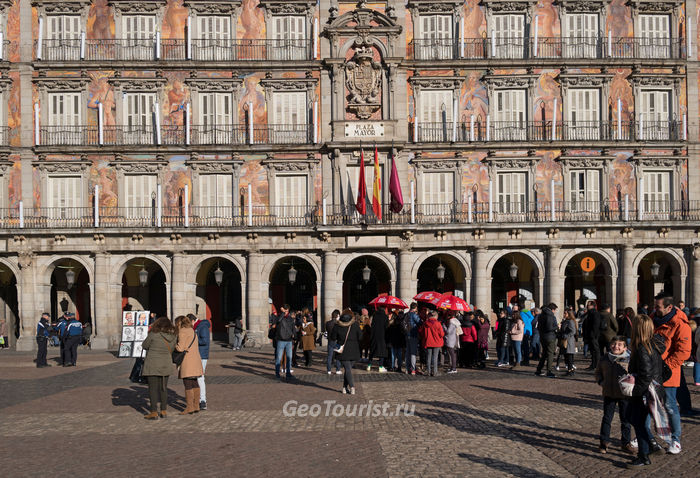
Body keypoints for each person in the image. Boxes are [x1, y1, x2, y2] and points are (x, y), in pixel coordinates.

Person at [651, 293, 691, 455]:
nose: (655, 309)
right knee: (649, 405)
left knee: (670, 406)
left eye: (658, 307)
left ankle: (675, 439)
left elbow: (684, 352)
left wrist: (665, 367)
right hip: (651, 370)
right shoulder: (652, 318)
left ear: (669, 307)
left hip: (668, 373)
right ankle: (646, 437)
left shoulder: (680, 324)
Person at [626, 314, 667, 468]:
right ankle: (649, 446)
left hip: (644, 392)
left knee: (637, 421)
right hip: (652, 390)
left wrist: (635, 391)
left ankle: (644, 455)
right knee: (635, 419)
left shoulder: (643, 348)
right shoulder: (652, 345)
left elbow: (646, 375)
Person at [595, 336, 635, 454]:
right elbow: (598, 372)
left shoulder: (629, 359)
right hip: (609, 393)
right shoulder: (604, 358)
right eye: (613, 344)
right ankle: (604, 441)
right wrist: (601, 382)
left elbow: (634, 374)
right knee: (607, 418)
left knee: (625, 419)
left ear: (624, 347)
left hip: (624, 394)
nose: (616, 346)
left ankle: (626, 442)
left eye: (619, 344)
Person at [141, 317, 177, 419]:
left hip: (153, 364)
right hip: (166, 364)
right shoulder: (173, 336)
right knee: (163, 388)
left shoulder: (153, 334)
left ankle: (153, 412)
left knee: (153, 389)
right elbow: (173, 348)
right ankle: (164, 410)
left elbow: (145, 345)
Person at [174, 315, 203, 415]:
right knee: (194, 382)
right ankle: (196, 405)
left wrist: (175, 345)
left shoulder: (182, 331)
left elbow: (180, 348)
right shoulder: (191, 330)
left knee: (187, 383)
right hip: (195, 359)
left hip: (187, 360)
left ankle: (189, 407)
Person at [330, 309, 361, 394]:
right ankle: (351, 387)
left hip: (342, 350)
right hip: (354, 350)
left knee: (348, 369)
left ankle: (346, 387)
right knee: (348, 369)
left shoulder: (337, 325)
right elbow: (360, 337)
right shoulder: (355, 324)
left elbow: (333, 337)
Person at [191, 314, 210, 411]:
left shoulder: (202, 326)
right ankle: (197, 398)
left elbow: (205, 341)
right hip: (197, 355)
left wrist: (194, 339)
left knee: (200, 377)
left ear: (193, 321)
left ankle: (203, 400)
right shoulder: (197, 327)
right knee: (196, 377)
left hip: (202, 355)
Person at [535, 303, 559, 378]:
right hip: (550, 337)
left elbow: (538, 326)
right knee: (550, 354)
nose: (555, 312)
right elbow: (549, 328)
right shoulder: (550, 316)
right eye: (555, 310)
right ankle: (549, 371)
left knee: (544, 354)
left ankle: (538, 370)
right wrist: (557, 326)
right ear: (552, 309)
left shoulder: (541, 315)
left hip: (542, 337)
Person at [274, 304, 295, 380]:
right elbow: (278, 321)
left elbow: (293, 328)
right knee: (279, 358)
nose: (286, 311)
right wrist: (282, 313)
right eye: (285, 310)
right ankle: (277, 373)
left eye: (287, 310)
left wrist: (294, 337)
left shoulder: (290, 319)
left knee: (289, 357)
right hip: (281, 340)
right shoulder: (279, 317)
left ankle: (288, 373)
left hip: (289, 340)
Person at [421, 311, 444, 377]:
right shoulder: (438, 324)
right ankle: (435, 372)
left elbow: (422, 333)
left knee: (428, 357)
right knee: (435, 357)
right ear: (436, 316)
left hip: (428, 342)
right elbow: (442, 334)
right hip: (436, 342)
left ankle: (428, 371)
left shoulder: (425, 323)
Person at [367, 308, 389, 372]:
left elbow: (371, 325)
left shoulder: (374, 316)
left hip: (374, 335)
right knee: (381, 352)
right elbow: (386, 327)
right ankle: (381, 367)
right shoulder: (385, 316)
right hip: (382, 336)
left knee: (372, 351)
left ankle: (369, 366)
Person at [583, 301, 602, 370]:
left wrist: (593, 334)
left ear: (592, 306)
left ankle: (597, 365)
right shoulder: (589, 313)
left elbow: (596, 325)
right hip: (590, 335)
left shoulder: (595, 313)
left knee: (596, 351)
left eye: (588, 305)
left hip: (594, 336)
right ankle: (593, 365)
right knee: (592, 351)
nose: (587, 306)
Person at [404, 303, 421, 375]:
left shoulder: (406, 314)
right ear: (416, 308)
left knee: (407, 352)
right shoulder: (414, 315)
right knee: (413, 353)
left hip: (406, 335)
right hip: (413, 335)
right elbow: (420, 322)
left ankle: (407, 369)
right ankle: (413, 369)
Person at [559, 310, 578, 375]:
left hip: (569, 340)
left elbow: (573, 331)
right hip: (565, 340)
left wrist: (566, 336)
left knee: (569, 355)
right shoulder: (565, 321)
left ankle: (570, 370)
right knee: (566, 356)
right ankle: (570, 369)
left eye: (565, 313)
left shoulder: (570, 322)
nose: (564, 314)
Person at [325, 310, 342, 375]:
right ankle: (337, 369)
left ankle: (328, 370)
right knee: (337, 355)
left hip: (330, 340)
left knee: (329, 356)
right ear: (337, 315)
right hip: (337, 340)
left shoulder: (328, 323)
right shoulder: (338, 323)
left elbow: (327, 330)